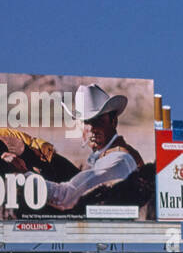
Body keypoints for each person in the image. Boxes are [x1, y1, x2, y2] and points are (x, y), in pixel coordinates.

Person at [15, 83, 146, 212]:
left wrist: (23, 177)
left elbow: (65, 197)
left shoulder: (118, 159)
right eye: (86, 122)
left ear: (114, 121)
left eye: (99, 120)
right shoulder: (114, 155)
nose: (91, 128)